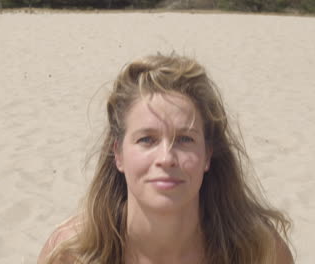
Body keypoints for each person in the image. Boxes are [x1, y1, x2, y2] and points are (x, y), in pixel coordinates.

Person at [38, 53, 294, 264]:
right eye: (147, 139)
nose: (167, 158)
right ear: (118, 154)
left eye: (185, 139)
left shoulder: (260, 251)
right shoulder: (70, 253)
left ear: (207, 155)